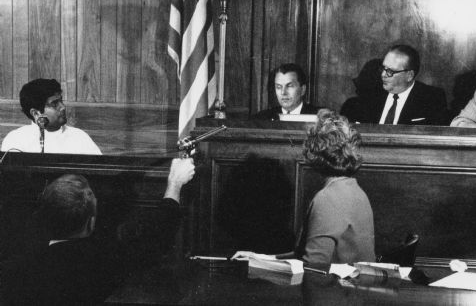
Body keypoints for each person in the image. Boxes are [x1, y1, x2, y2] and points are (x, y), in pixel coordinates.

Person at [1, 158, 196, 305]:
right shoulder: (103, 262)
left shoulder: (13, 270)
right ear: (91, 222)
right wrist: (174, 184)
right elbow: (157, 236)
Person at [233, 109, 375, 264]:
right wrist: (261, 258)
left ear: (315, 151)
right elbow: (305, 256)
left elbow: (313, 267)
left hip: (333, 286)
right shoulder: (355, 191)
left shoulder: (328, 198)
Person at [342, 45, 448, 125]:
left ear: (409, 75)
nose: (383, 75)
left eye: (390, 71)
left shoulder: (432, 98)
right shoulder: (370, 92)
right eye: (383, 68)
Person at [1, 78, 101, 154]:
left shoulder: (79, 137)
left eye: (61, 101)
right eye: (54, 104)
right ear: (36, 113)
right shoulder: (16, 140)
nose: (62, 107)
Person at [253, 63, 320, 120]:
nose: (283, 92)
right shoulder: (261, 118)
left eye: (289, 86)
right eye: (279, 87)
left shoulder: (318, 117)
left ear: (302, 90)